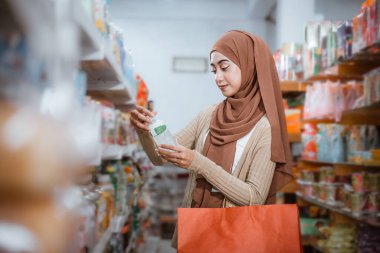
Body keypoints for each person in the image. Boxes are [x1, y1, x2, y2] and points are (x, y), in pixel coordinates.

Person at [130, 30, 293, 249]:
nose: (218, 78)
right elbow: (161, 157)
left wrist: (198, 163)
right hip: (197, 228)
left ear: (249, 65)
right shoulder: (209, 114)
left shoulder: (265, 128)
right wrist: (146, 132)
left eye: (225, 68)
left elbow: (254, 197)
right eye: (214, 70)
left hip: (237, 239)